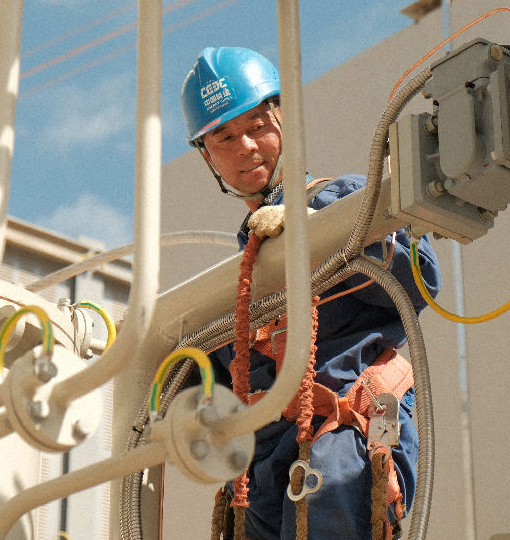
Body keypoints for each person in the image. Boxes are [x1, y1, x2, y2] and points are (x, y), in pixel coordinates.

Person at [179, 47, 442, 539]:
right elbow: (205, 385)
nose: (246, 148)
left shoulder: (343, 202)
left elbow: (419, 279)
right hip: (265, 462)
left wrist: (317, 234)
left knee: (331, 489)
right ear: (207, 153)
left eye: (258, 126)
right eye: (226, 137)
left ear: (285, 120)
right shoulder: (235, 281)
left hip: (350, 430)